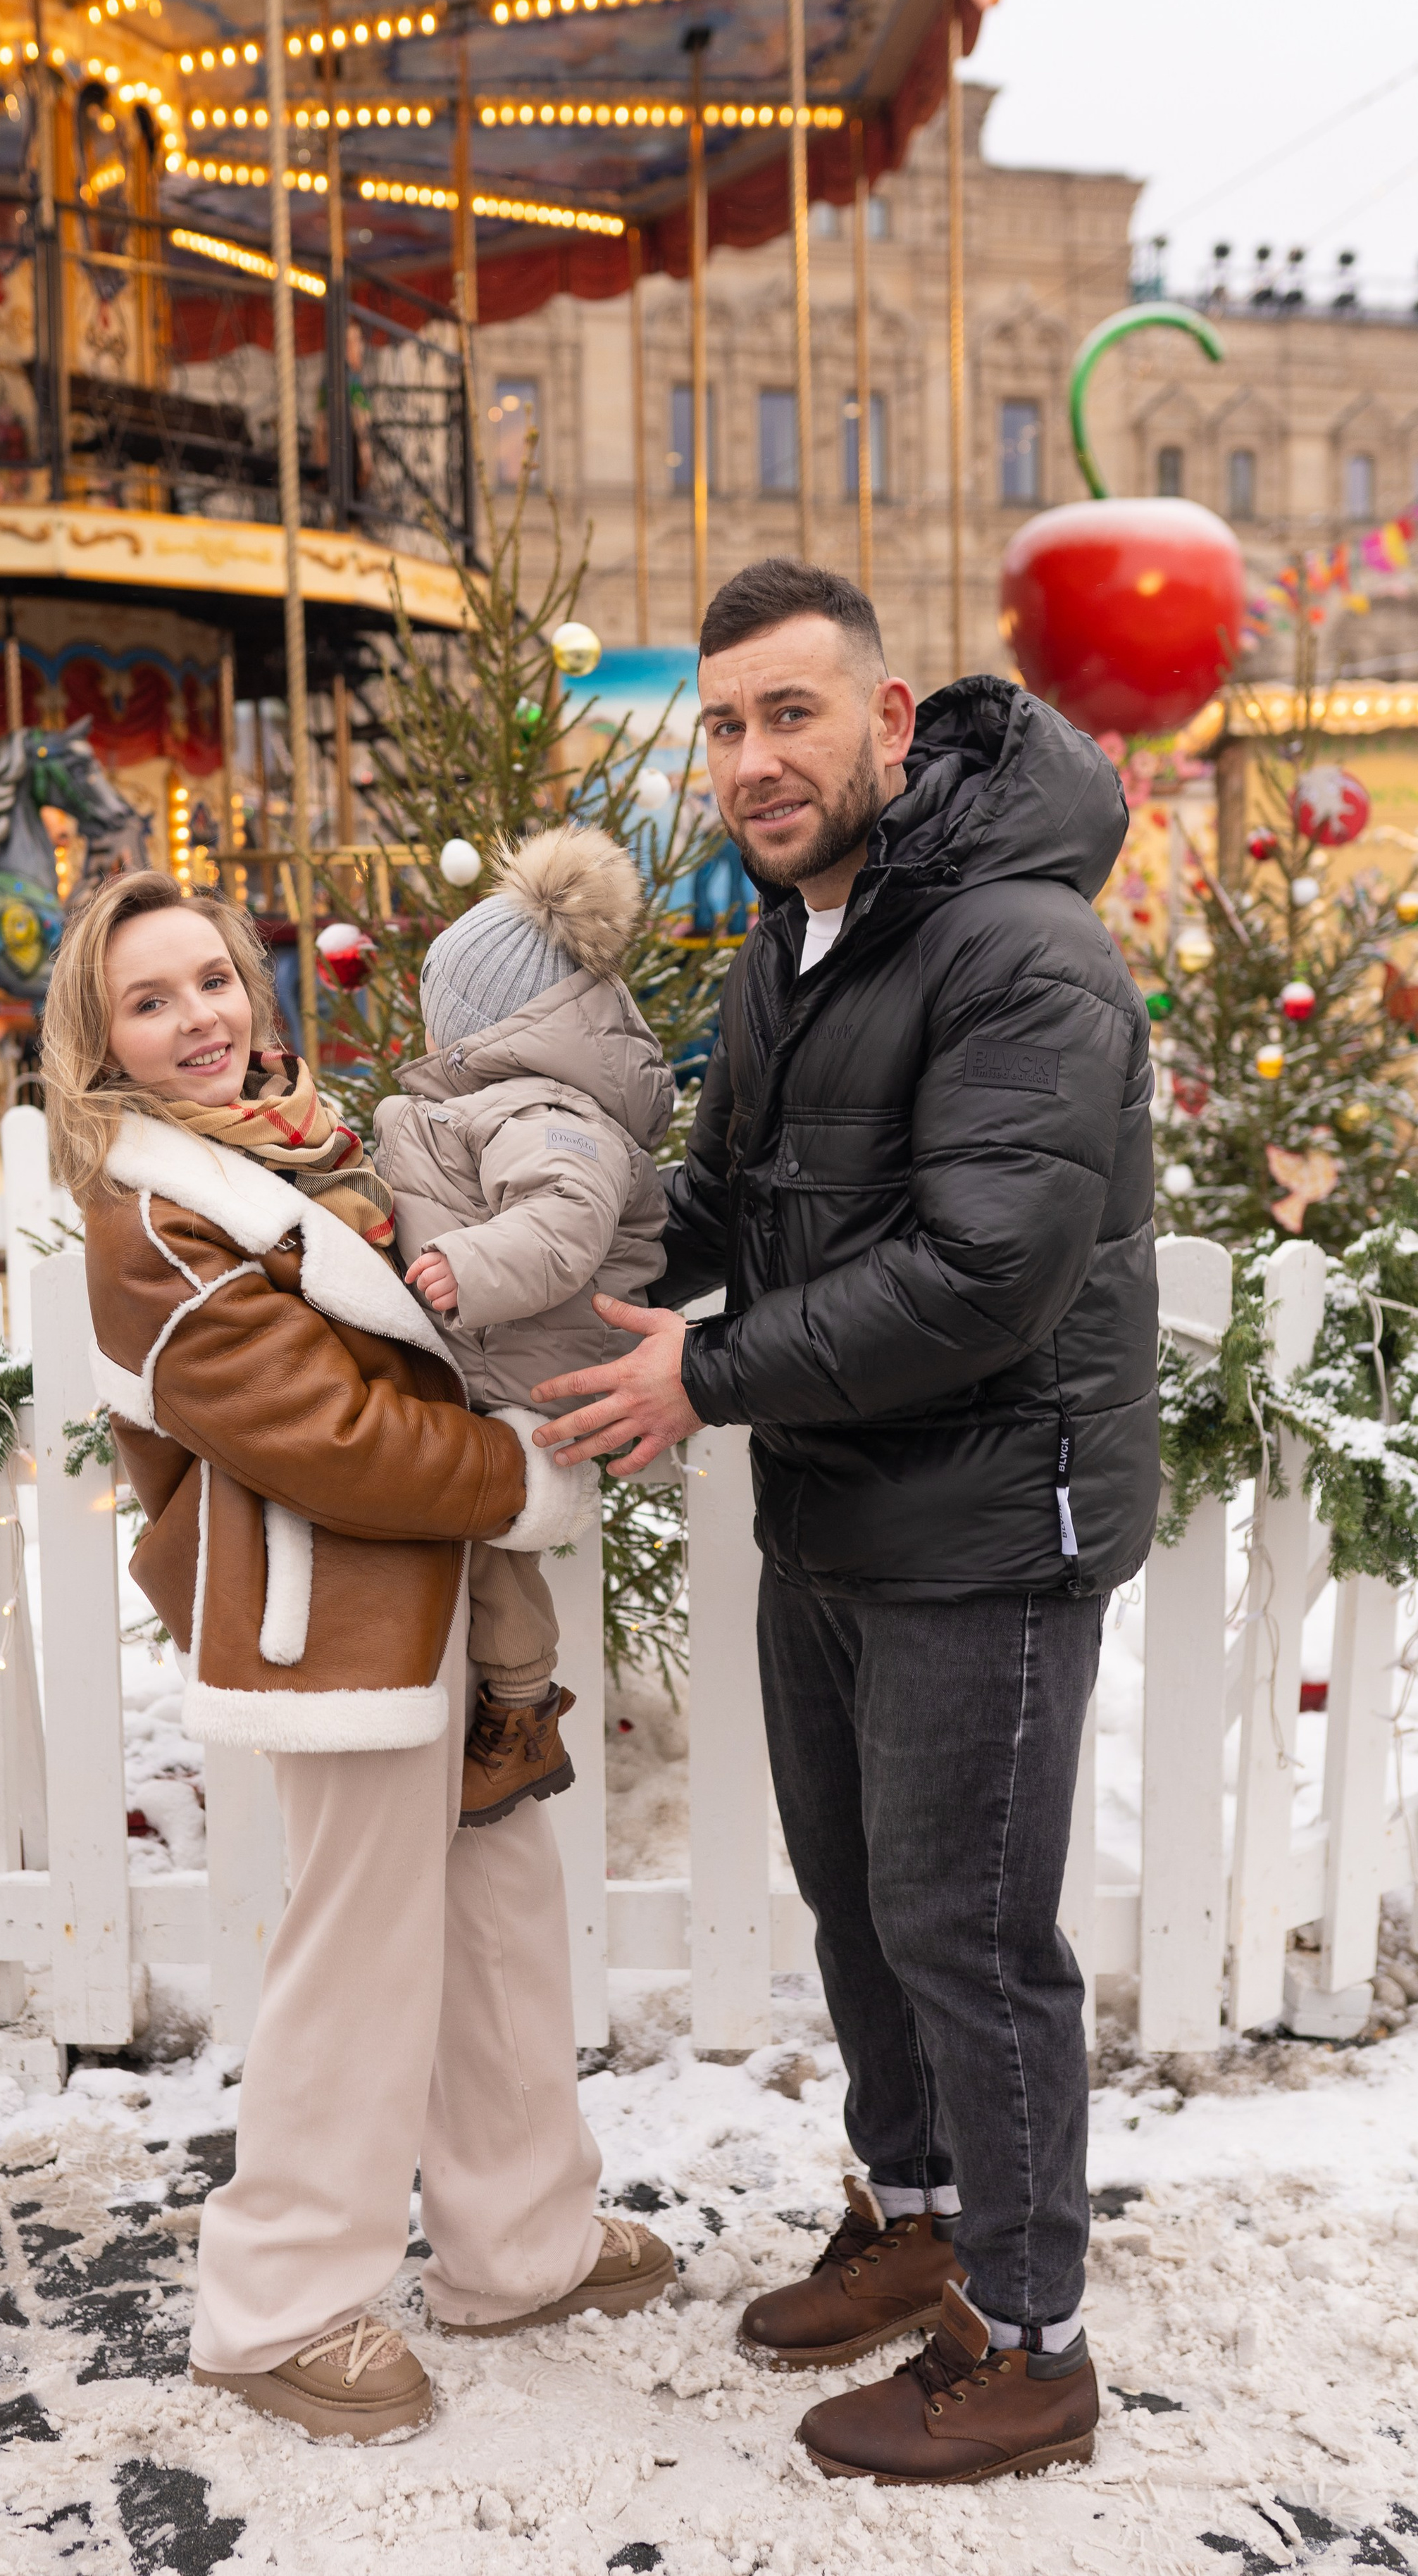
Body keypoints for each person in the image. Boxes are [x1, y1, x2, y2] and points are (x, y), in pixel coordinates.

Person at [530, 558, 1157, 2487]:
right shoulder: (784, 951)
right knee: (866, 1911)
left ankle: (1035, 2343)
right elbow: (724, 1211)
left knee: (970, 1936)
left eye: (789, 715)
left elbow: (989, 1272)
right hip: (843, 1508)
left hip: (989, 1516)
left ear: (892, 721)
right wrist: (524, 1243)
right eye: (722, 725)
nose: (748, 760)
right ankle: (915, 2216)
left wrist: (706, 1380)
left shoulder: (1020, 949)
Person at [46, 867, 673, 2444]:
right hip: (329, 1609)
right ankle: (276, 2301)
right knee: (360, 1943)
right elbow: (317, 1431)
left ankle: (515, 2243)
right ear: (99, 1038)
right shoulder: (155, 1209)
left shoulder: (311, 1141)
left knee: (499, 1917)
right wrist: (520, 1479)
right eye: (149, 998)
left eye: (210, 979)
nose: (196, 1017)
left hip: (446, 1598)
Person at [373, 825, 676, 1825]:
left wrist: (466, 1266)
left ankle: (521, 1713)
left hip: (522, 1374)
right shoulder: (507, 1099)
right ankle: (505, 1699)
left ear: (482, 1021)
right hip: (486, 1355)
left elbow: (566, 1221)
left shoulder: (548, 1109)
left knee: (496, 1549)